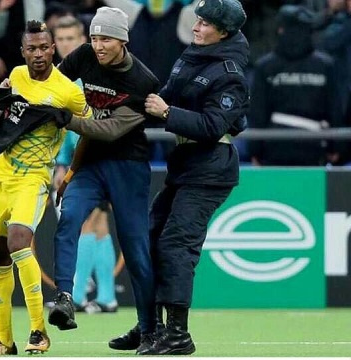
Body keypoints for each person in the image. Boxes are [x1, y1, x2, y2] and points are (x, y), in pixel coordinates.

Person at [0, 20, 91, 356]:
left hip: (34, 178)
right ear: (23, 51)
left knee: (17, 241)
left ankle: (39, 332)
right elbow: (3, 123)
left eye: (44, 48)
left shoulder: (68, 90)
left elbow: (88, 130)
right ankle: (3, 342)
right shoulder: (16, 76)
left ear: (53, 49)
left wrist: (71, 173)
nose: (38, 54)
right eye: (32, 48)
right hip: (1, 175)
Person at [125, 0, 248, 355]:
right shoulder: (193, 55)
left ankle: (178, 335)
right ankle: (151, 326)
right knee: (149, 240)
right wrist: (119, 113)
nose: (197, 26)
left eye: (206, 23)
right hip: (187, 164)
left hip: (211, 166)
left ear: (223, 32)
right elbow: (161, 100)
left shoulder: (230, 73)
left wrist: (166, 113)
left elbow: (212, 126)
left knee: (176, 245)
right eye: (198, 18)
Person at [46, 6, 160, 353]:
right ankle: (65, 297)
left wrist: (67, 120)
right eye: (94, 37)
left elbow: (108, 129)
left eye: (105, 38)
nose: (98, 45)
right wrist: (20, 85)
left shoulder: (142, 81)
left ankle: (149, 328)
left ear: (122, 40)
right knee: (69, 220)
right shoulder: (84, 55)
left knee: (136, 249)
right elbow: (54, 84)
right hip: (91, 162)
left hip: (127, 164)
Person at [53, 14, 119, 313]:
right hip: (93, 155)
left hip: (92, 155)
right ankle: (106, 295)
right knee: (99, 224)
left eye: (71, 39)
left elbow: (80, 125)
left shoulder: (88, 77)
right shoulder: (59, 75)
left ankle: (78, 295)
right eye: (61, 39)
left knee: (87, 222)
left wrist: (64, 164)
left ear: (83, 41)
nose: (66, 44)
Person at [249, 4, 343, 166]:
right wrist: (338, 147)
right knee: (312, 191)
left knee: (277, 191)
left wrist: (255, 150)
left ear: (280, 30)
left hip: (274, 146)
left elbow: (258, 112)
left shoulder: (265, 66)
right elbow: (335, 110)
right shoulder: (325, 66)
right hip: (314, 146)